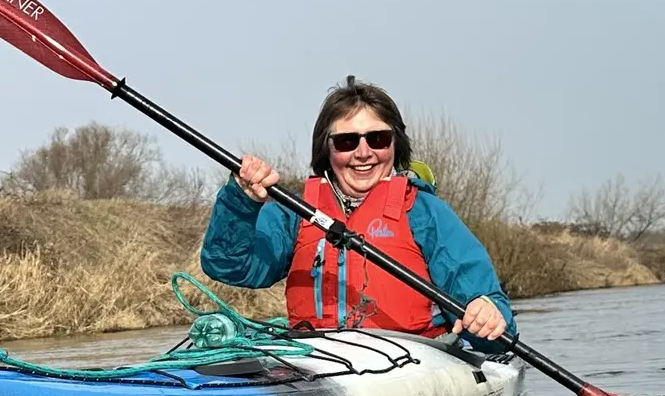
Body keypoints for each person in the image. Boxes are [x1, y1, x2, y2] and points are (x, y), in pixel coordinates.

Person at [199, 76, 517, 352]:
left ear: (395, 144)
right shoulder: (295, 213)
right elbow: (227, 267)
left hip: (413, 363)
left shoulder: (426, 214)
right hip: (316, 362)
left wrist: (486, 310)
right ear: (327, 149)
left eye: (377, 139)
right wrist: (241, 202)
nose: (363, 153)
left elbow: (497, 326)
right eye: (347, 141)